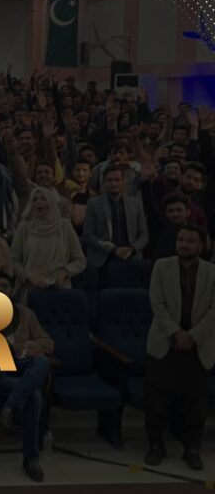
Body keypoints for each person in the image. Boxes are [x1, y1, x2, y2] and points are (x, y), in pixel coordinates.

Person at [144, 224, 215, 471]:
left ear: (201, 246)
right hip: (166, 341)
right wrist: (175, 332)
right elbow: (157, 302)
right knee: (157, 401)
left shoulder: (212, 272)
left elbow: (213, 310)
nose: (184, 245)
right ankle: (156, 445)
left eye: (190, 241)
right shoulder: (161, 267)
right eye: (181, 240)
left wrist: (192, 336)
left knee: (195, 403)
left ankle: (192, 448)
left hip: (198, 345)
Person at [0, 271, 53, 482]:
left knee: (43, 362)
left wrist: (26, 347)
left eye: (4, 286)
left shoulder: (27, 314)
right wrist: (19, 348)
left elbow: (48, 344)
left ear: (12, 290)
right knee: (34, 395)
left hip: (23, 369)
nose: (0, 290)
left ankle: (10, 408)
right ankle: (31, 458)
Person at [82, 165, 149, 288]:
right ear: (104, 182)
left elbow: (144, 234)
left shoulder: (135, 203)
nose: (113, 183)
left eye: (117, 180)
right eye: (109, 180)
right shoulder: (93, 203)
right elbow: (88, 235)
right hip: (103, 257)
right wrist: (113, 249)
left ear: (123, 181)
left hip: (131, 256)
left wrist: (132, 249)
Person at [10, 187, 86, 294]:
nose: (39, 202)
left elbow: (80, 260)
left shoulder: (65, 226)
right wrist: (29, 277)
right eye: (35, 200)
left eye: (43, 199)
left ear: (51, 202)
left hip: (60, 288)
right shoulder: (23, 228)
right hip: (30, 289)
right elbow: (13, 261)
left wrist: (64, 273)